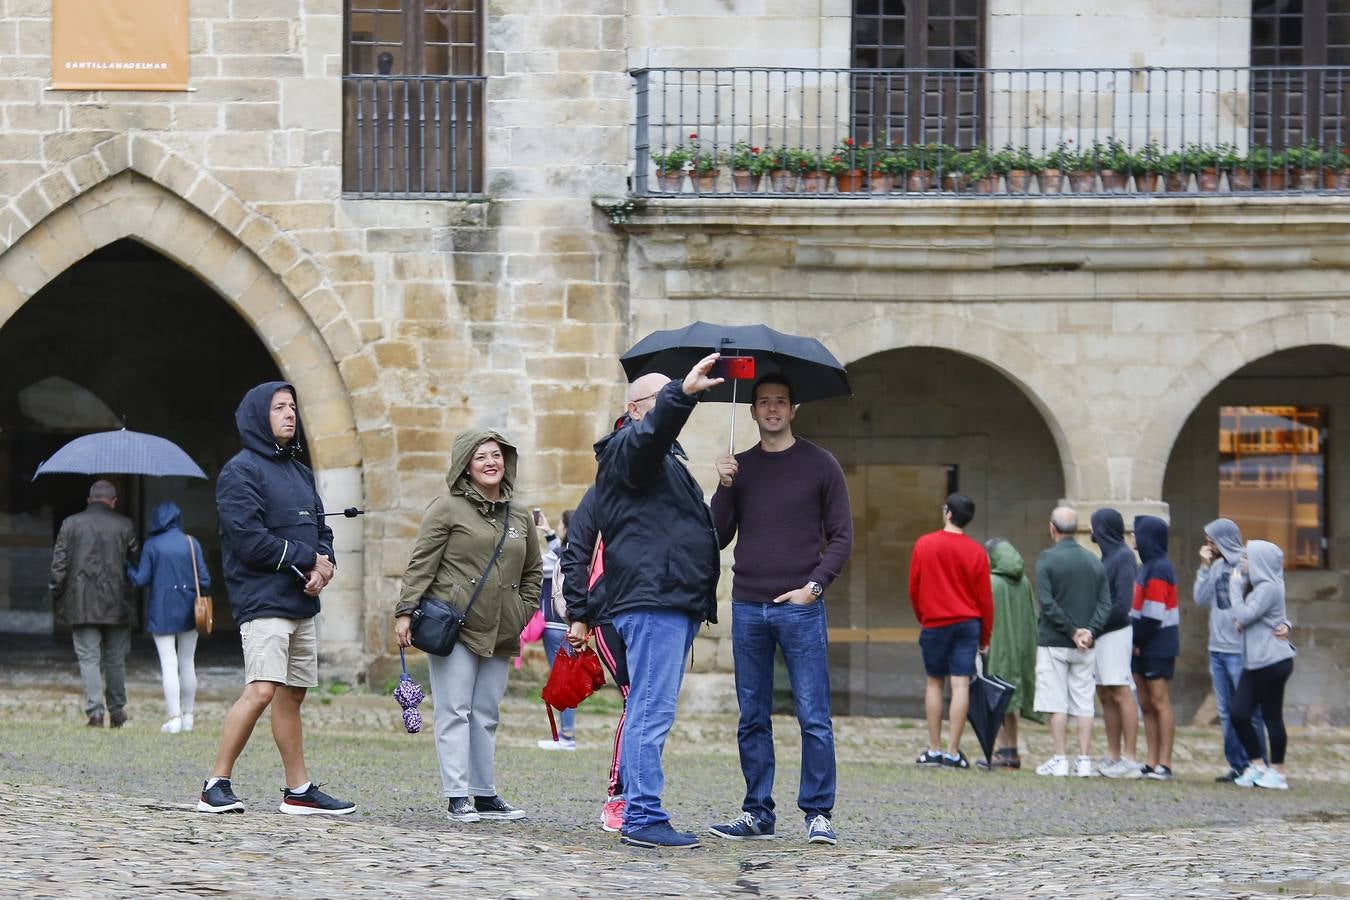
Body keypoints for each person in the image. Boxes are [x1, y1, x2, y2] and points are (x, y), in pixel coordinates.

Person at [565, 356, 723, 850]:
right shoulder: (626, 450)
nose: (670, 403)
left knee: (648, 710)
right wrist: (684, 394)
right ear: (635, 409)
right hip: (653, 601)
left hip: (668, 600)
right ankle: (642, 815)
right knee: (649, 711)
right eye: (662, 398)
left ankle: (640, 810)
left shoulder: (661, 463)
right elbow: (650, 435)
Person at [707, 373, 853, 846]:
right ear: (752, 411)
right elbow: (717, 536)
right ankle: (757, 813)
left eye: (781, 402)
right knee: (752, 716)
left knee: (813, 714)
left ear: (794, 410)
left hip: (800, 607)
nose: (772, 409)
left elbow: (842, 537)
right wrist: (724, 485)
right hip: (748, 604)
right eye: (764, 402)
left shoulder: (821, 464)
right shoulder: (740, 467)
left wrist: (814, 586)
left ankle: (818, 813)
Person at [198, 382, 352, 816]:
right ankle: (215, 784)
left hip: (301, 599)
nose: (290, 414)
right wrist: (309, 559)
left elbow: (323, 529)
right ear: (257, 417)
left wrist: (327, 566)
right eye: (279, 407)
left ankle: (298, 789)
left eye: (293, 407)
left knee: (292, 695)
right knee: (263, 689)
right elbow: (249, 540)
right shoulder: (239, 472)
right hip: (262, 599)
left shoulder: (301, 472)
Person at [394, 429, 542, 823]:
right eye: (481, 457)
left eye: (496, 455)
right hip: (454, 627)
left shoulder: (521, 515)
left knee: (486, 713)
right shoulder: (446, 509)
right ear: (466, 466)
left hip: (503, 629)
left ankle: (484, 793)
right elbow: (421, 563)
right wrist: (405, 610)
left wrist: (521, 612)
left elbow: (533, 573)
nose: (491, 462)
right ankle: (457, 794)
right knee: (454, 710)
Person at [559, 484, 630, 832]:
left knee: (652, 706)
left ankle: (643, 798)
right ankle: (618, 796)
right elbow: (577, 551)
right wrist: (578, 613)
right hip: (608, 613)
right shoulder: (603, 490)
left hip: (659, 611)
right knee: (637, 701)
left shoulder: (673, 478)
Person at [907, 493, 993, 771]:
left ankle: (933, 749)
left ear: (947, 513)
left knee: (934, 682)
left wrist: (924, 616)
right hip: (968, 623)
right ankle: (954, 752)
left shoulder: (925, 544)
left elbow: (914, 587)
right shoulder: (977, 551)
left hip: (935, 621)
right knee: (960, 684)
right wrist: (985, 637)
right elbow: (985, 599)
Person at [50, 479, 139, 728]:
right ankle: (118, 711)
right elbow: (135, 562)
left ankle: (95, 713)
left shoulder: (71, 523)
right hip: (117, 602)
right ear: (113, 502)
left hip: (81, 601)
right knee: (115, 659)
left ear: (89, 500)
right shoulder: (125, 525)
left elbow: (59, 565)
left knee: (89, 658)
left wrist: (56, 593)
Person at [1032, 506, 1111, 777]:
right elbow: (1105, 603)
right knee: (1083, 702)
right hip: (1086, 644)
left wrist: (1070, 630)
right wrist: (1089, 631)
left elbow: (1046, 602)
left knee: (1057, 703)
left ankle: (1060, 757)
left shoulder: (1046, 559)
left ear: (1052, 528)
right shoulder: (1094, 561)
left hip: (1055, 640)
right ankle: (1085, 759)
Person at [126, 500, 210, 734]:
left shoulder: (153, 545)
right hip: (190, 611)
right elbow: (204, 580)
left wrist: (127, 566)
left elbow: (141, 579)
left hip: (161, 611)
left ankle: (173, 718)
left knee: (168, 664)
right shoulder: (191, 543)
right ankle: (189, 717)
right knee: (187, 662)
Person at [1194, 517, 1267, 782]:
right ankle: (1237, 765)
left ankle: (1259, 765)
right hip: (1217, 649)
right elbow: (1199, 598)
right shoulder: (1215, 568)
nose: (1208, 545)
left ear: (1222, 539)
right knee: (1225, 712)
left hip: (1240, 649)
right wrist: (1204, 567)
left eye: (1211, 540)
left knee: (1248, 711)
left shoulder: (1248, 565)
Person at [1230, 540, 1296, 790]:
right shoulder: (1257, 586)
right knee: (1239, 713)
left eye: (1247, 557)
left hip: (1273, 661)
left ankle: (1278, 773)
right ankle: (1258, 766)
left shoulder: (1268, 587)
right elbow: (1253, 617)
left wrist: (1234, 587)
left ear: (1259, 561)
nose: (1242, 562)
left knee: (1272, 718)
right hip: (1255, 661)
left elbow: (1246, 614)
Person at [1089, 508, 1142, 779]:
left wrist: (1094, 626)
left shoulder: (1123, 557)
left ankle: (1130, 757)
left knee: (1121, 691)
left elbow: (1122, 604)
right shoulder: (1107, 556)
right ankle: (1113, 754)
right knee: (1105, 693)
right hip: (1100, 634)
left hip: (1116, 633)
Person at [982, 538, 1040, 769]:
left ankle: (1003, 750)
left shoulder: (992, 582)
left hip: (997, 648)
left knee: (996, 700)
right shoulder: (1024, 581)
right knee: (1010, 700)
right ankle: (1011, 750)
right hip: (1021, 647)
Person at [1130, 515, 1179, 780]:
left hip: (1157, 644)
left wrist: (1136, 640)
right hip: (1140, 644)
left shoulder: (1160, 568)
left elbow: (1154, 613)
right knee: (1146, 703)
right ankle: (1151, 760)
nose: (1133, 537)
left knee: (1160, 702)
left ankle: (1165, 762)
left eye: (1136, 532)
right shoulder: (1145, 567)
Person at [536, 508, 576, 751]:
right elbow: (557, 551)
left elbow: (539, 565)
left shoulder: (559, 557)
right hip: (567, 626)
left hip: (554, 627)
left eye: (560, 525)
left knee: (563, 681)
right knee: (565, 679)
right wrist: (549, 532)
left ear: (566, 529)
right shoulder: (575, 553)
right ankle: (566, 733)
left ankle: (567, 736)